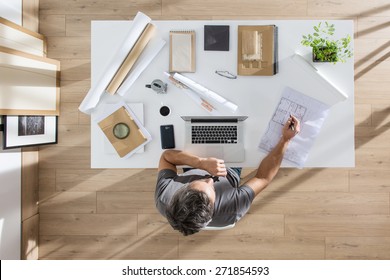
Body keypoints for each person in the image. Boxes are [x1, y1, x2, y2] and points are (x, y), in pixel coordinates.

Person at [155, 115, 300, 236]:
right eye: (212, 189)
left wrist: (201, 162)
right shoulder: (233, 207)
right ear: (213, 209)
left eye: (199, 181)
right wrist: (285, 139)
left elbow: (166, 157)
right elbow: (263, 178)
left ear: (180, 191)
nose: (210, 179)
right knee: (242, 124)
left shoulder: (165, 197)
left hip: (195, 162)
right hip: (229, 169)